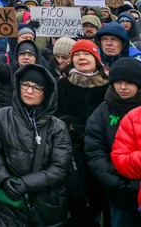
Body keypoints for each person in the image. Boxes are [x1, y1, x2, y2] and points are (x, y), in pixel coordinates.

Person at [0, 64, 72, 226]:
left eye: (36, 88)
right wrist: (4, 179)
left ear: (46, 93)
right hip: (7, 201)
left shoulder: (57, 126)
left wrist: (25, 184)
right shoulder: (2, 116)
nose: (29, 91)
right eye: (25, 85)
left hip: (44, 204)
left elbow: (60, 168)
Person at [56, 38, 109, 225]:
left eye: (86, 54)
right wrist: (70, 125)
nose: (81, 57)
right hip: (73, 149)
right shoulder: (63, 84)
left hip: (101, 149)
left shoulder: (108, 85)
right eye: (77, 54)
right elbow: (56, 114)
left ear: (96, 58)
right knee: (77, 197)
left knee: (101, 196)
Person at [86, 58, 141, 227]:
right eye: (118, 82)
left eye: (128, 83)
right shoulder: (102, 111)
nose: (123, 87)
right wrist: (115, 183)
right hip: (117, 193)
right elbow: (94, 151)